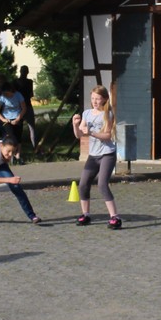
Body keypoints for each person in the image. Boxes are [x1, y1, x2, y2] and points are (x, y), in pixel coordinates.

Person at [71, 85, 122, 229]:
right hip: (93, 156)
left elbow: (107, 135)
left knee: (102, 184)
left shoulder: (108, 114)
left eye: (98, 99)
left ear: (105, 99)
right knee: (83, 184)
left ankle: (114, 217)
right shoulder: (87, 113)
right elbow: (79, 134)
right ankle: (85, 214)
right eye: (93, 98)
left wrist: (91, 132)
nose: (95, 101)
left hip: (107, 154)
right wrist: (75, 125)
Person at [0, 79, 26, 156]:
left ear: (11, 91)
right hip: (7, 119)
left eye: (7, 93)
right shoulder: (2, 97)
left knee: (18, 136)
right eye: (4, 94)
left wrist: (18, 119)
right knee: (10, 136)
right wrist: (3, 119)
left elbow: (24, 108)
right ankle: (9, 153)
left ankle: (18, 155)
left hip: (17, 117)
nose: (6, 95)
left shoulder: (18, 95)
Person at [14, 65, 38, 149]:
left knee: (20, 128)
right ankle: (34, 146)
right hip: (25, 106)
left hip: (22, 106)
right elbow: (31, 94)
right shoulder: (28, 82)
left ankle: (33, 146)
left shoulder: (16, 82)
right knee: (30, 128)